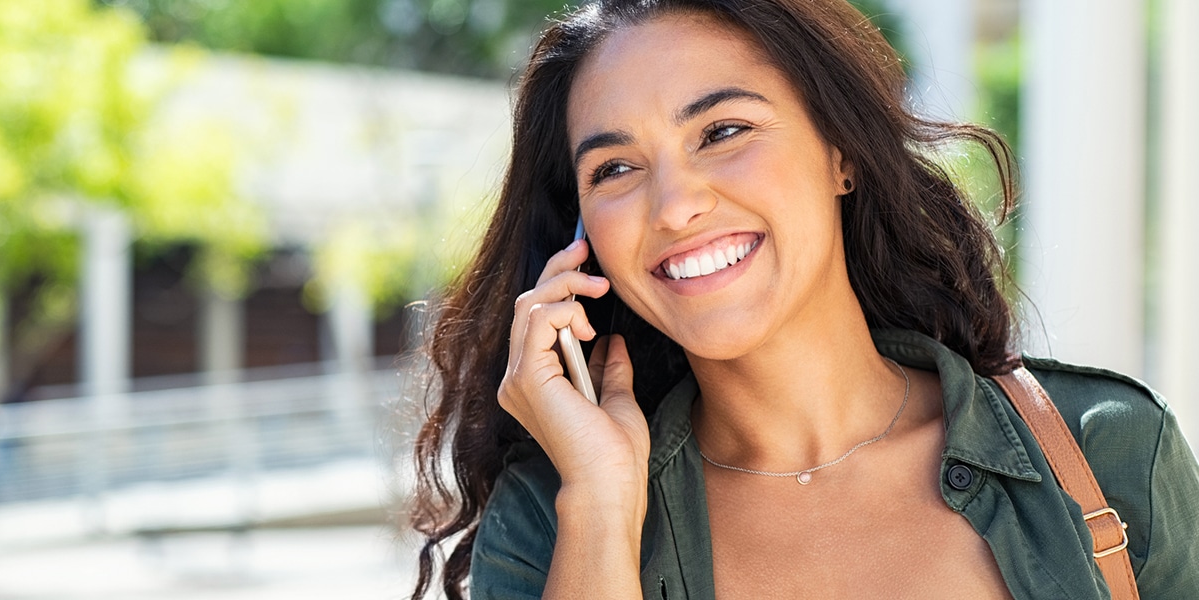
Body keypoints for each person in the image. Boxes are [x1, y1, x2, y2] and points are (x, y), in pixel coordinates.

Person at [408, 0, 1199, 598]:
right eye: (614, 169)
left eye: (722, 131)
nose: (675, 205)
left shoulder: (1110, 454)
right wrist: (603, 508)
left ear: (841, 153)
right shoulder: (553, 520)